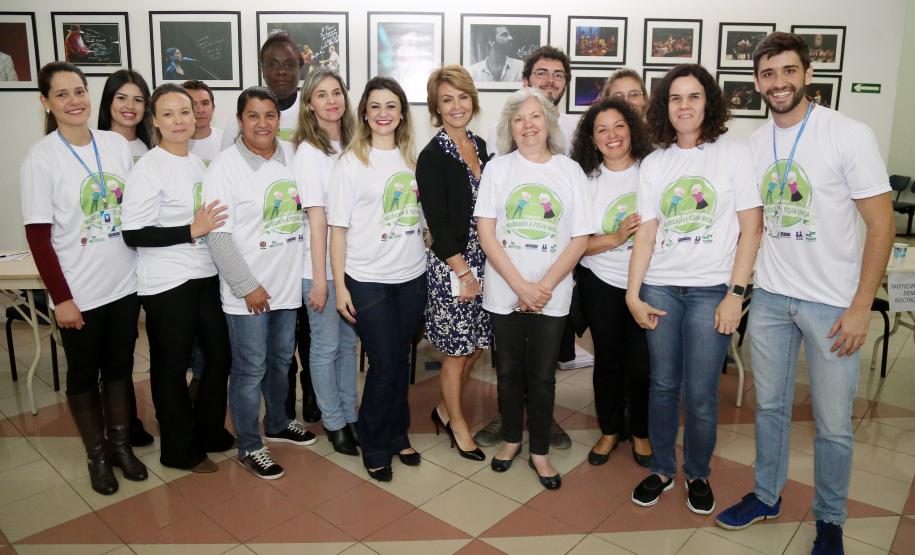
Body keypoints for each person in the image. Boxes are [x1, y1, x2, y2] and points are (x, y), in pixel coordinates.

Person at [715, 33, 895, 555]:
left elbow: (881, 226)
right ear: (756, 83)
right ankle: (767, 494)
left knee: (834, 425)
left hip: (833, 304)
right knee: (769, 408)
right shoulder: (752, 145)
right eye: (768, 74)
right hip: (770, 298)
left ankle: (831, 520)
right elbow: (752, 226)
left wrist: (861, 304)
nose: (779, 83)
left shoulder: (848, 135)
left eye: (788, 71)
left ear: (808, 74)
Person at [626, 64, 762, 515]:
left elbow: (751, 229)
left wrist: (735, 295)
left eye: (694, 97)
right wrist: (633, 292)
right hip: (661, 287)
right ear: (666, 107)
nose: (684, 106)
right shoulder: (655, 162)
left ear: (709, 102)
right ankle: (663, 468)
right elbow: (646, 232)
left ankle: (698, 473)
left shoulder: (734, 153)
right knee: (663, 385)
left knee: (701, 392)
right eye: (675, 98)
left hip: (712, 291)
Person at [20, 62, 148, 495]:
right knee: (82, 375)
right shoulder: (41, 159)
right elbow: (38, 238)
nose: (74, 101)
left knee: (119, 369)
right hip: (81, 292)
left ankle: (120, 445)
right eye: (62, 94)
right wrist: (62, 299)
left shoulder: (113, 145)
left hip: (124, 285)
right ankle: (96, 456)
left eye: (79, 91)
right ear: (46, 102)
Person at [475, 87, 593, 490]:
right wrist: (520, 285)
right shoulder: (498, 168)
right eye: (519, 119)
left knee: (542, 376)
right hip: (505, 289)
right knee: (507, 371)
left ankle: (539, 450)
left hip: (552, 292)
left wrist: (541, 286)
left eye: (536, 117)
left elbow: (579, 238)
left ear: (549, 122)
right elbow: (486, 234)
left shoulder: (569, 171)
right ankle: (510, 440)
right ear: (510, 126)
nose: (528, 125)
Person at [121, 84, 235, 472]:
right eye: (168, 114)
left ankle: (208, 432)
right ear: (154, 121)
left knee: (219, 355)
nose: (179, 120)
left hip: (203, 275)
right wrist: (191, 230)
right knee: (171, 365)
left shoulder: (196, 162)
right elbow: (134, 233)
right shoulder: (149, 167)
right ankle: (178, 449)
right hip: (167, 283)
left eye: (184, 112)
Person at [205, 87, 315, 480]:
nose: (263, 123)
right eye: (254, 115)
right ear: (239, 121)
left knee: (282, 361)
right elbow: (216, 236)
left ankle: (279, 421)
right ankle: (250, 444)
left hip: (285, 287)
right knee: (250, 368)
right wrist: (245, 285)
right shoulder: (224, 167)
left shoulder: (290, 158)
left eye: (270, 115)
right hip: (248, 293)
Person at [326, 76, 425, 482]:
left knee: (400, 359)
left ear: (402, 113)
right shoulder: (350, 163)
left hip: (411, 275)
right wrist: (340, 286)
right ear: (364, 113)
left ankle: (398, 431)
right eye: (375, 106)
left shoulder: (413, 158)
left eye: (391, 106)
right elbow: (337, 230)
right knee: (384, 362)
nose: (383, 113)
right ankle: (374, 440)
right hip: (367, 278)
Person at [569, 98, 654, 467]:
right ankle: (609, 430)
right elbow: (577, 244)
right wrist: (617, 238)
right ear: (592, 138)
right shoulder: (585, 181)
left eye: (618, 125)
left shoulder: (653, 171)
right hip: (600, 281)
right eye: (601, 129)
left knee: (642, 365)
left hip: (648, 282)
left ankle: (640, 432)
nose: (612, 135)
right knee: (608, 361)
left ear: (632, 128)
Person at [417, 65, 492, 462]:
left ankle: (445, 409)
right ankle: (457, 425)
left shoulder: (480, 145)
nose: (456, 105)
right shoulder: (433, 156)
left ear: (472, 100)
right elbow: (438, 224)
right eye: (447, 99)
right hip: (455, 266)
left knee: (477, 345)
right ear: (437, 107)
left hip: (487, 263)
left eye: (462, 97)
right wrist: (463, 272)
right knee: (457, 350)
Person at [290, 68, 359, 456]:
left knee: (348, 346)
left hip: (352, 266)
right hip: (320, 268)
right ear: (309, 104)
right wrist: (320, 280)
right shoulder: (309, 152)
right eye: (321, 94)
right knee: (326, 346)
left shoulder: (353, 144)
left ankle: (350, 414)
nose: (331, 100)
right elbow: (317, 221)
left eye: (337, 92)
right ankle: (333, 422)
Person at [487, 46, 579, 157]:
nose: (550, 80)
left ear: (566, 84)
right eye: (541, 73)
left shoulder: (578, 129)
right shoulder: (500, 131)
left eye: (558, 75)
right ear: (525, 81)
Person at [222, 33, 303, 148]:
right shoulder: (245, 112)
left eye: (289, 65)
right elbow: (226, 159)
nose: (281, 71)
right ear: (263, 70)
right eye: (273, 65)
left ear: (300, 69)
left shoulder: (313, 110)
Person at [98, 69, 153, 163]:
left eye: (138, 100)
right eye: (121, 98)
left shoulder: (152, 150)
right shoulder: (93, 146)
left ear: (146, 106)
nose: (130, 106)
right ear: (108, 101)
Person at [183, 80, 223, 166]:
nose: (200, 110)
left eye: (205, 103)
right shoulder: (172, 144)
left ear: (213, 108)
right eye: (193, 104)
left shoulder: (226, 142)